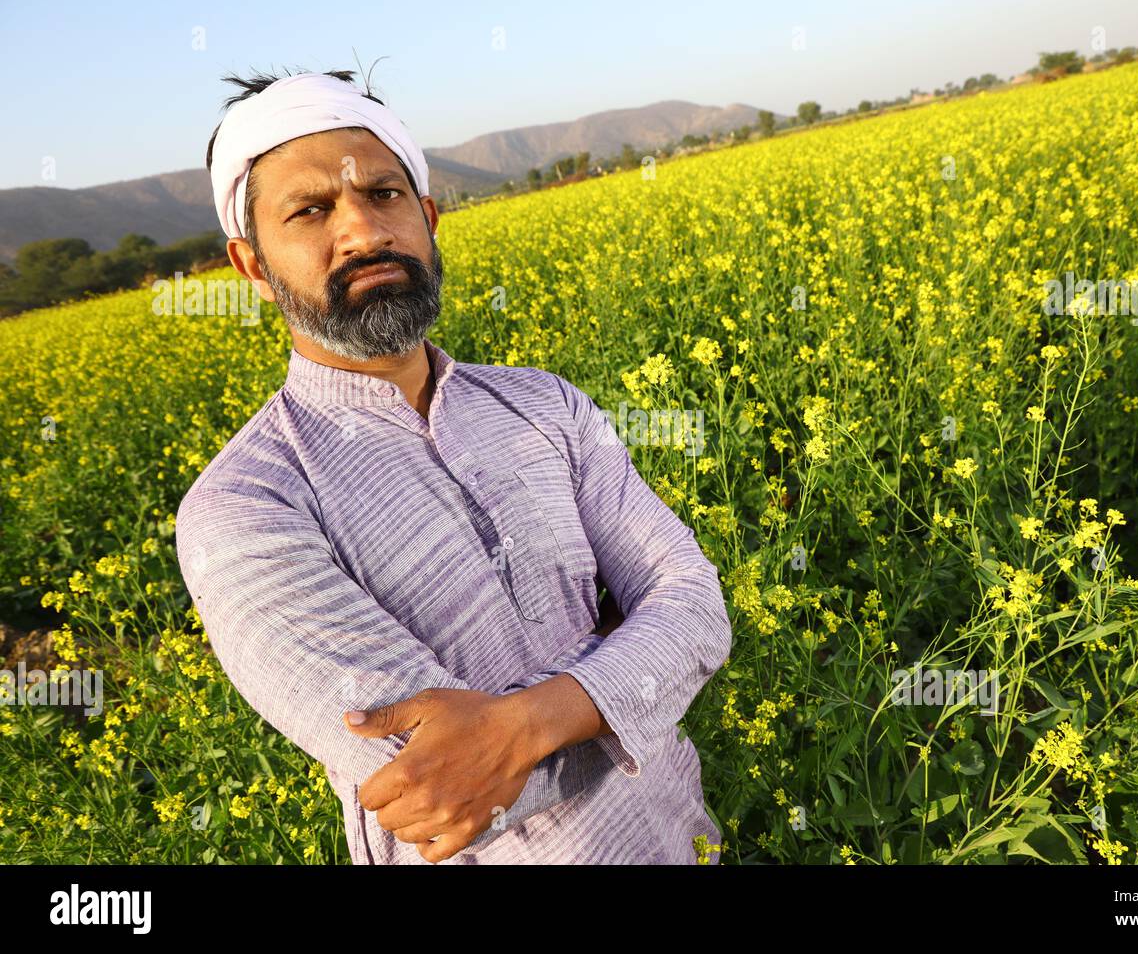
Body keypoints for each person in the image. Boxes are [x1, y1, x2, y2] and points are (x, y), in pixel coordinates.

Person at [176, 67, 732, 864]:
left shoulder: (547, 405)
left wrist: (527, 720)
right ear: (253, 265)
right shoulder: (247, 507)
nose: (364, 233)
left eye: (385, 195)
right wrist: (620, 668)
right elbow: (434, 789)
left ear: (428, 217)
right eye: (311, 210)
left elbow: (697, 610)